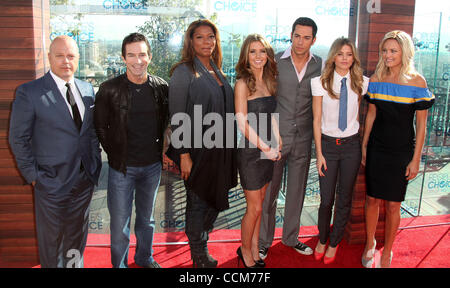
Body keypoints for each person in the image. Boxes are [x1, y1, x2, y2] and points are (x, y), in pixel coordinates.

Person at [8, 35, 102, 268]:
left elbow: (89, 133)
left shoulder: (87, 88)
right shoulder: (29, 92)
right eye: (59, 56)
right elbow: (18, 138)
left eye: (71, 56)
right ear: (49, 57)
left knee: (76, 240)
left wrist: (94, 167)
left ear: (78, 59)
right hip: (50, 182)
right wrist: (34, 176)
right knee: (52, 243)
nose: (65, 61)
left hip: (83, 180)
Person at [94, 33, 169, 268]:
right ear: (123, 58)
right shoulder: (109, 89)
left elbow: (167, 122)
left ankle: (144, 258)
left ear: (150, 56)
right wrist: (116, 154)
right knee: (119, 224)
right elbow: (100, 127)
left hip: (152, 167)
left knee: (147, 220)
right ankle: (120, 265)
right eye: (132, 55)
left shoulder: (161, 87)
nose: (138, 60)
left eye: (142, 54)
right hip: (121, 169)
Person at [361, 30, 434, 268]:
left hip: (401, 151)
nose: (388, 55)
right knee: (371, 199)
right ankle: (370, 243)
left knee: (393, 205)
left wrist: (416, 159)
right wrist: (364, 145)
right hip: (376, 148)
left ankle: (388, 250)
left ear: (405, 51)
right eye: (385, 50)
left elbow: (421, 126)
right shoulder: (376, 78)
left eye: (393, 50)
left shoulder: (417, 82)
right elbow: (371, 114)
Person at [168, 19, 238, 268]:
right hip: (197, 151)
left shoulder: (217, 69)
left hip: (221, 150)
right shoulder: (183, 71)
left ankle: (201, 237)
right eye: (200, 37)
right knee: (198, 202)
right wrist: (184, 154)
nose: (207, 42)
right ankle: (198, 255)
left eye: (211, 37)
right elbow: (176, 115)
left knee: (216, 196)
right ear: (190, 41)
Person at [259, 17, 322, 260]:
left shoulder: (320, 65)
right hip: (274, 137)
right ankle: (264, 241)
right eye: (297, 35)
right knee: (269, 193)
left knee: (297, 190)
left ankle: (290, 237)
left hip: (304, 139)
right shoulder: (274, 61)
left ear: (313, 40)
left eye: (306, 37)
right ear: (291, 35)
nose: (300, 41)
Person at [311, 37, 369, 264]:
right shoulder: (320, 83)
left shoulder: (363, 83)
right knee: (326, 199)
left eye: (349, 54)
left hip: (351, 146)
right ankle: (322, 238)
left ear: (354, 58)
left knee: (344, 198)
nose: (345, 58)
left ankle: (334, 242)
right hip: (327, 146)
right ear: (333, 56)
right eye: (340, 54)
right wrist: (319, 154)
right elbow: (316, 120)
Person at [234, 34, 281, 268]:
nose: (258, 56)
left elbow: (271, 114)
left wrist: (277, 138)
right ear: (246, 55)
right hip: (251, 153)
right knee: (255, 206)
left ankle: (253, 246)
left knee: (261, 202)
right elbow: (242, 123)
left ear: (268, 55)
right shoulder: (243, 83)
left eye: (262, 51)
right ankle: (244, 250)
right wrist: (264, 147)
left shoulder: (270, 80)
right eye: (253, 51)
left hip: (268, 151)